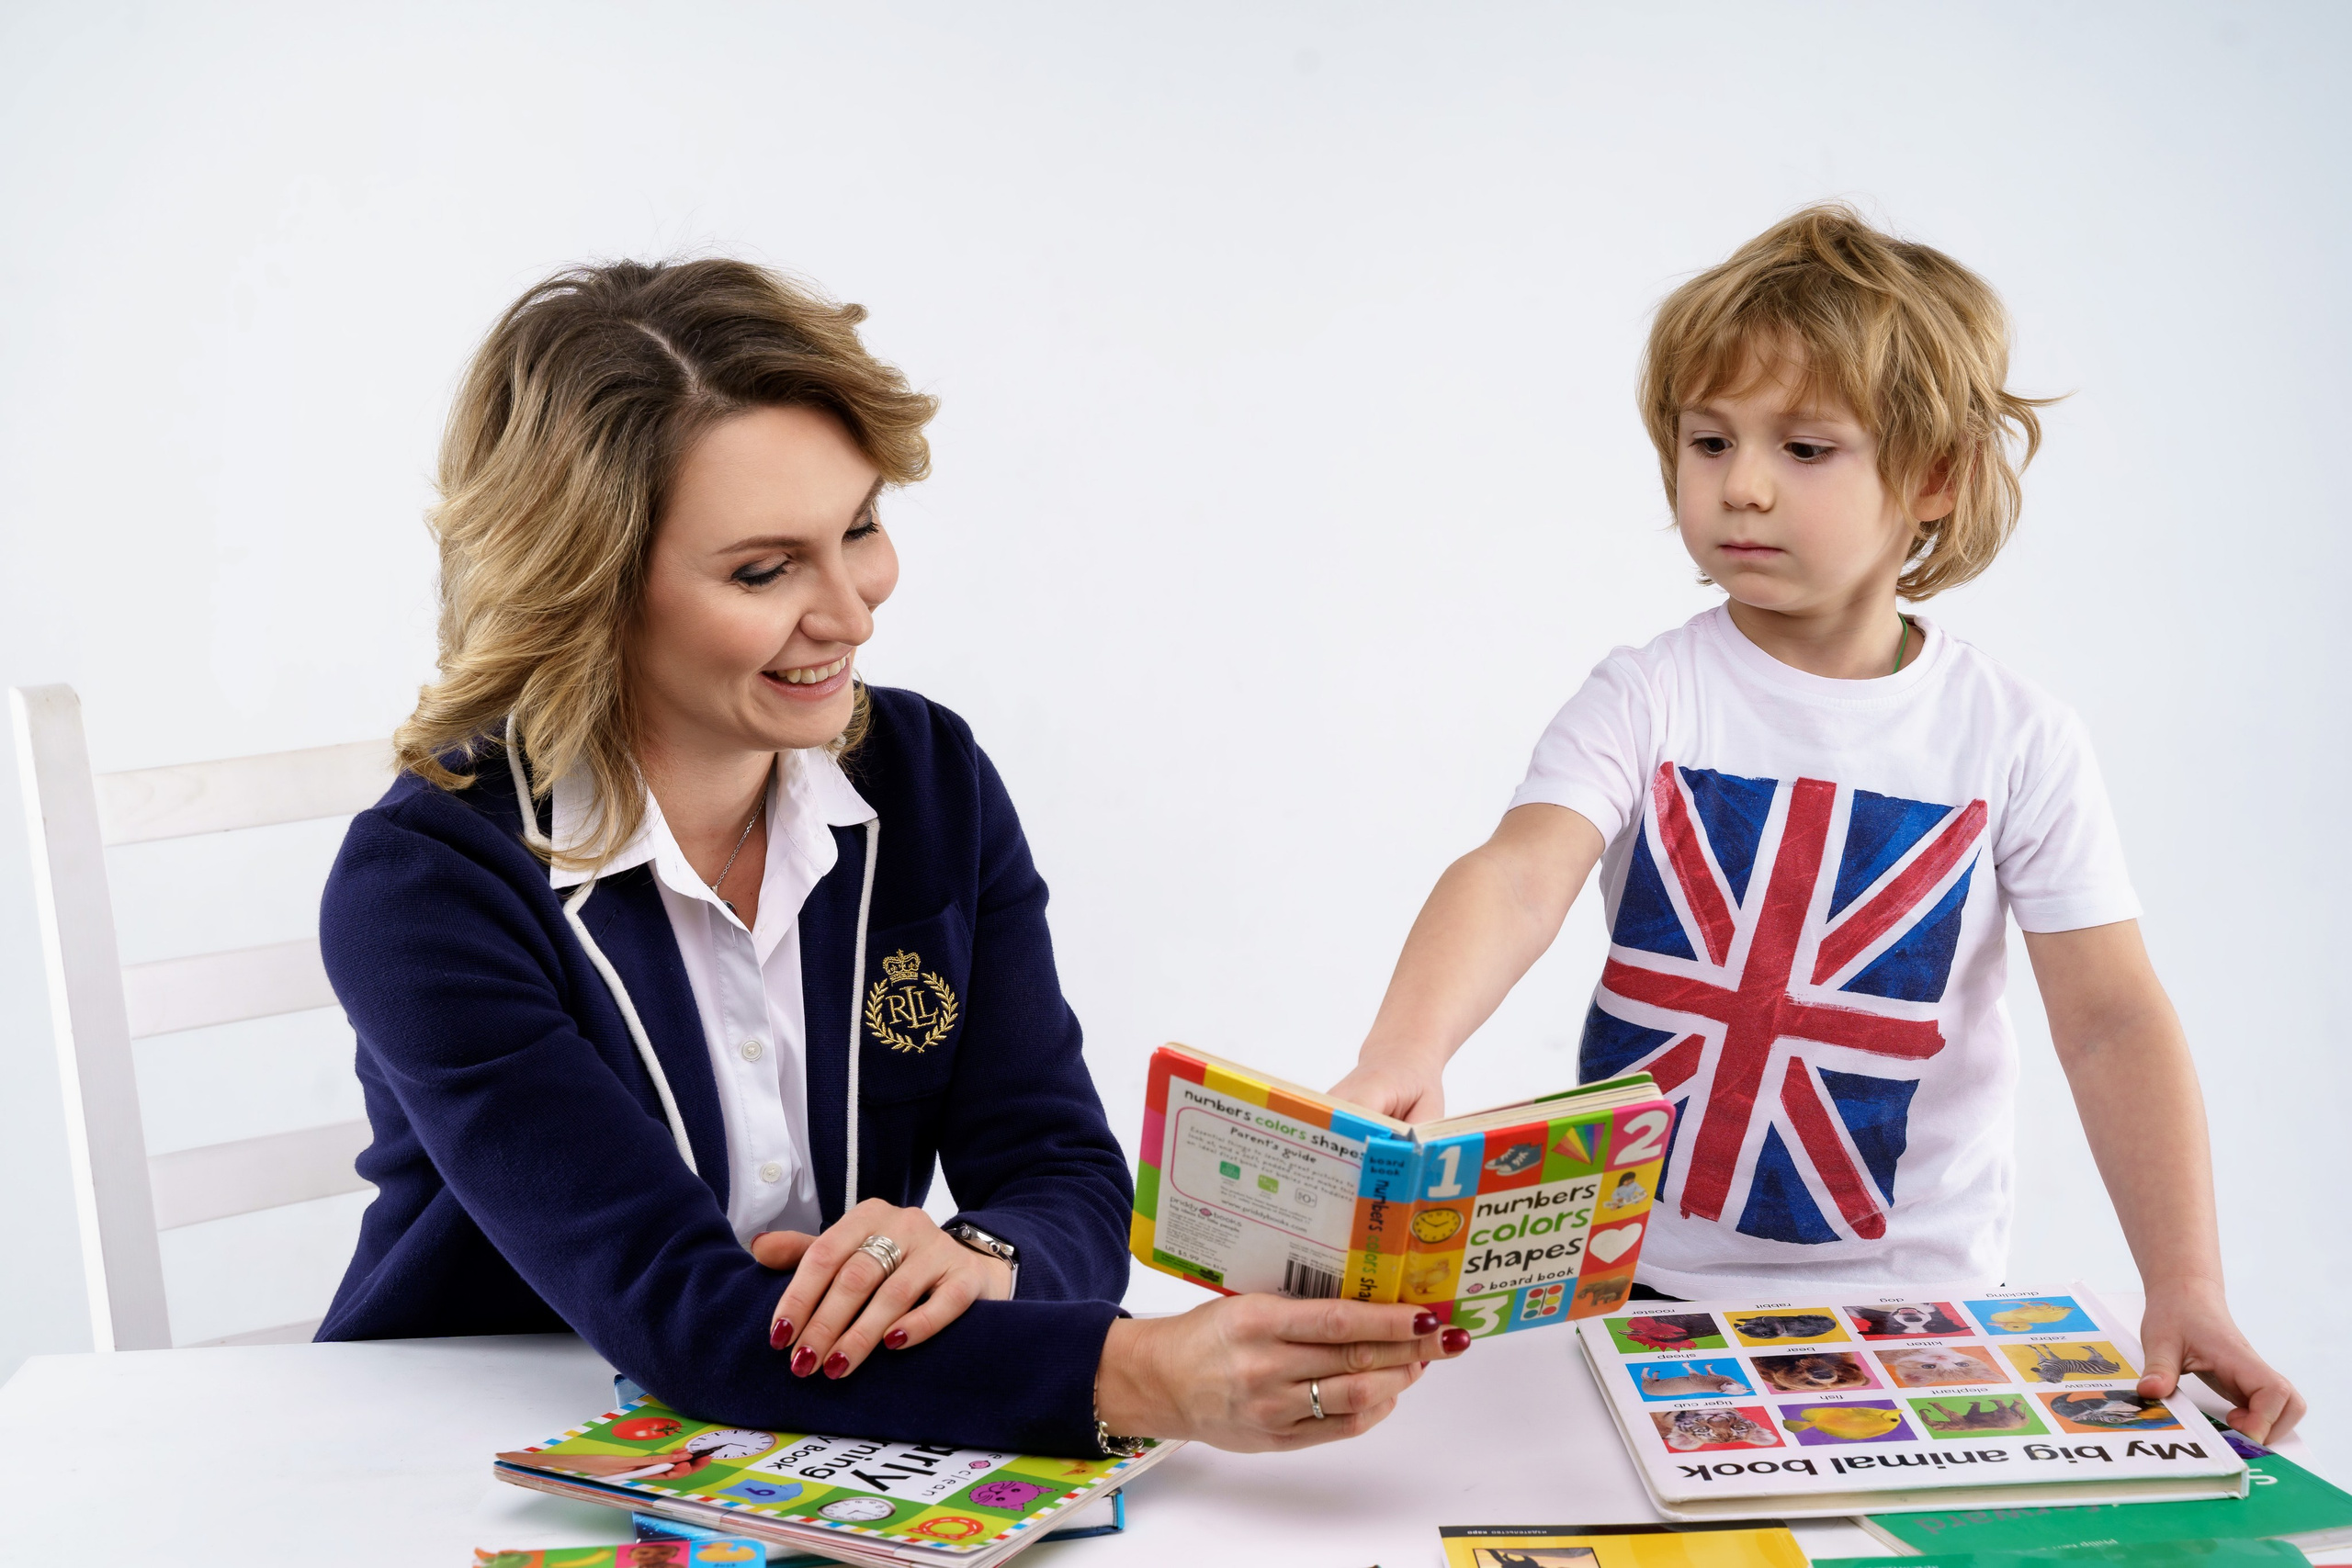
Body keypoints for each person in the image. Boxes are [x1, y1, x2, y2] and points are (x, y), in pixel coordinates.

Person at [319, 256, 1466, 1457]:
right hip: (462, 1456)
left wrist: (977, 1260)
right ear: (588, 590)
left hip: (839, 1429)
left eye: (859, 527)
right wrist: (1141, 1377)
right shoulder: (424, 889)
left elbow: (1059, 1167)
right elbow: (679, 1314)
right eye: (766, 569)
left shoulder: (927, 781)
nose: (854, 610)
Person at [1330, 206, 2302, 1442]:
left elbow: (2111, 1019)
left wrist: (2188, 1286)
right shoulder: (1648, 692)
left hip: (1914, 1311)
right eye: (1708, 440)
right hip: (1637, 1290)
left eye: (1804, 447)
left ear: (1937, 477)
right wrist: (1406, 1051)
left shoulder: (2015, 737)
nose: (1740, 484)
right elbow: (1522, 875)